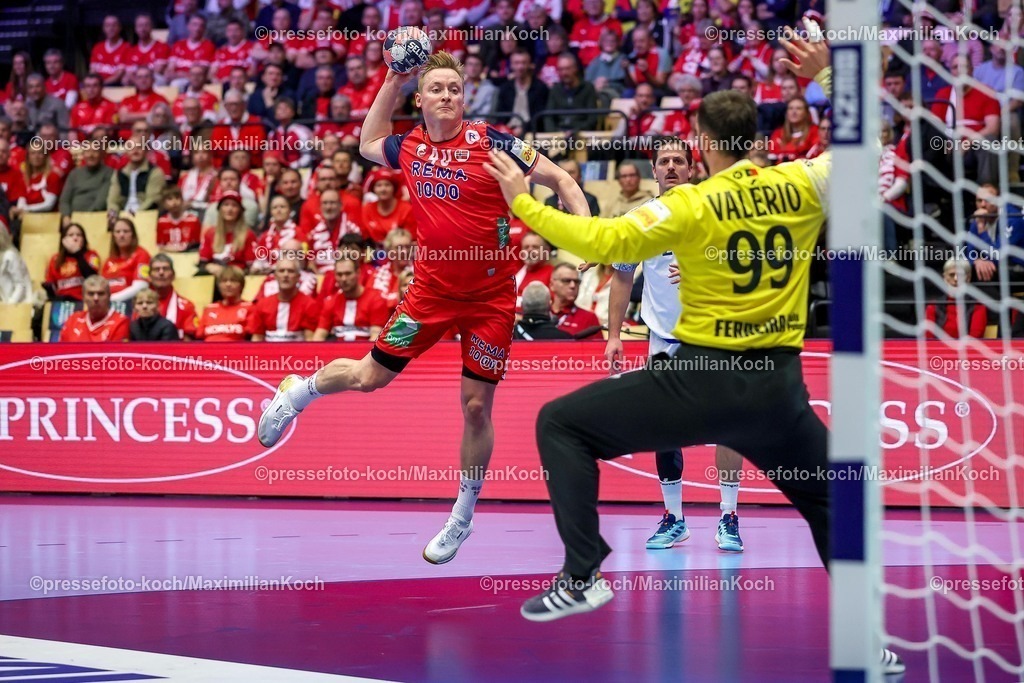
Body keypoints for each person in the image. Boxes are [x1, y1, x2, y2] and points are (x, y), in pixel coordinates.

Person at [258, 50, 589, 566]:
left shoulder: (492, 143)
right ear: (421, 98)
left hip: (490, 298)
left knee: (476, 407)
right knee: (370, 378)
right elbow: (367, 143)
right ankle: (295, 395)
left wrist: (585, 234)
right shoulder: (408, 145)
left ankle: (462, 516)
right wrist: (392, 76)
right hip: (430, 293)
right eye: (436, 88)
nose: (447, 96)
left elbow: (564, 182)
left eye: (455, 88)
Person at [605, 137, 745, 551]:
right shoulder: (640, 219)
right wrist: (614, 335)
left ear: (691, 168)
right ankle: (674, 518)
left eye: (678, 160)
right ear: (654, 170)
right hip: (663, 337)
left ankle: (729, 516)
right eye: (663, 160)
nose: (670, 166)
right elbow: (622, 277)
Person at [925, 259, 987, 339]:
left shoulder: (978, 305)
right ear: (944, 278)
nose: (955, 279)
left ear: (968, 278)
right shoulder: (933, 306)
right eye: (951, 275)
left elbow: (975, 337)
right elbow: (928, 338)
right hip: (939, 350)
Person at [59, 275, 130, 342]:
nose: (96, 298)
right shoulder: (73, 320)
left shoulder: (120, 322)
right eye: (91, 294)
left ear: (109, 296)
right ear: (83, 297)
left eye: (101, 293)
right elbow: (61, 351)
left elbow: (115, 353)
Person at [44, 223, 100, 301]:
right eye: (71, 235)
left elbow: (92, 278)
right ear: (64, 240)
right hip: (61, 300)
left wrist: (77, 253)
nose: (75, 238)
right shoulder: (55, 259)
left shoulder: (91, 255)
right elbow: (51, 284)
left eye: (79, 235)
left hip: (84, 300)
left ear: (84, 239)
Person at [103, 217, 152, 303]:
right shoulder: (109, 260)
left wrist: (112, 299)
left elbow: (141, 286)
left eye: (126, 231)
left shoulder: (142, 254)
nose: (121, 235)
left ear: (133, 235)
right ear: (113, 236)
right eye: (118, 232)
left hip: (132, 303)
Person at [197, 266, 252, 341]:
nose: (228, 284)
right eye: (224, 281)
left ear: (241, 285)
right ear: (218, 286)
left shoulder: (250, 308)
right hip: (209, 351)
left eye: (233, 280)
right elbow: (199, 336)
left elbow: (255, 339)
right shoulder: (209, 309)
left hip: (237, 351)